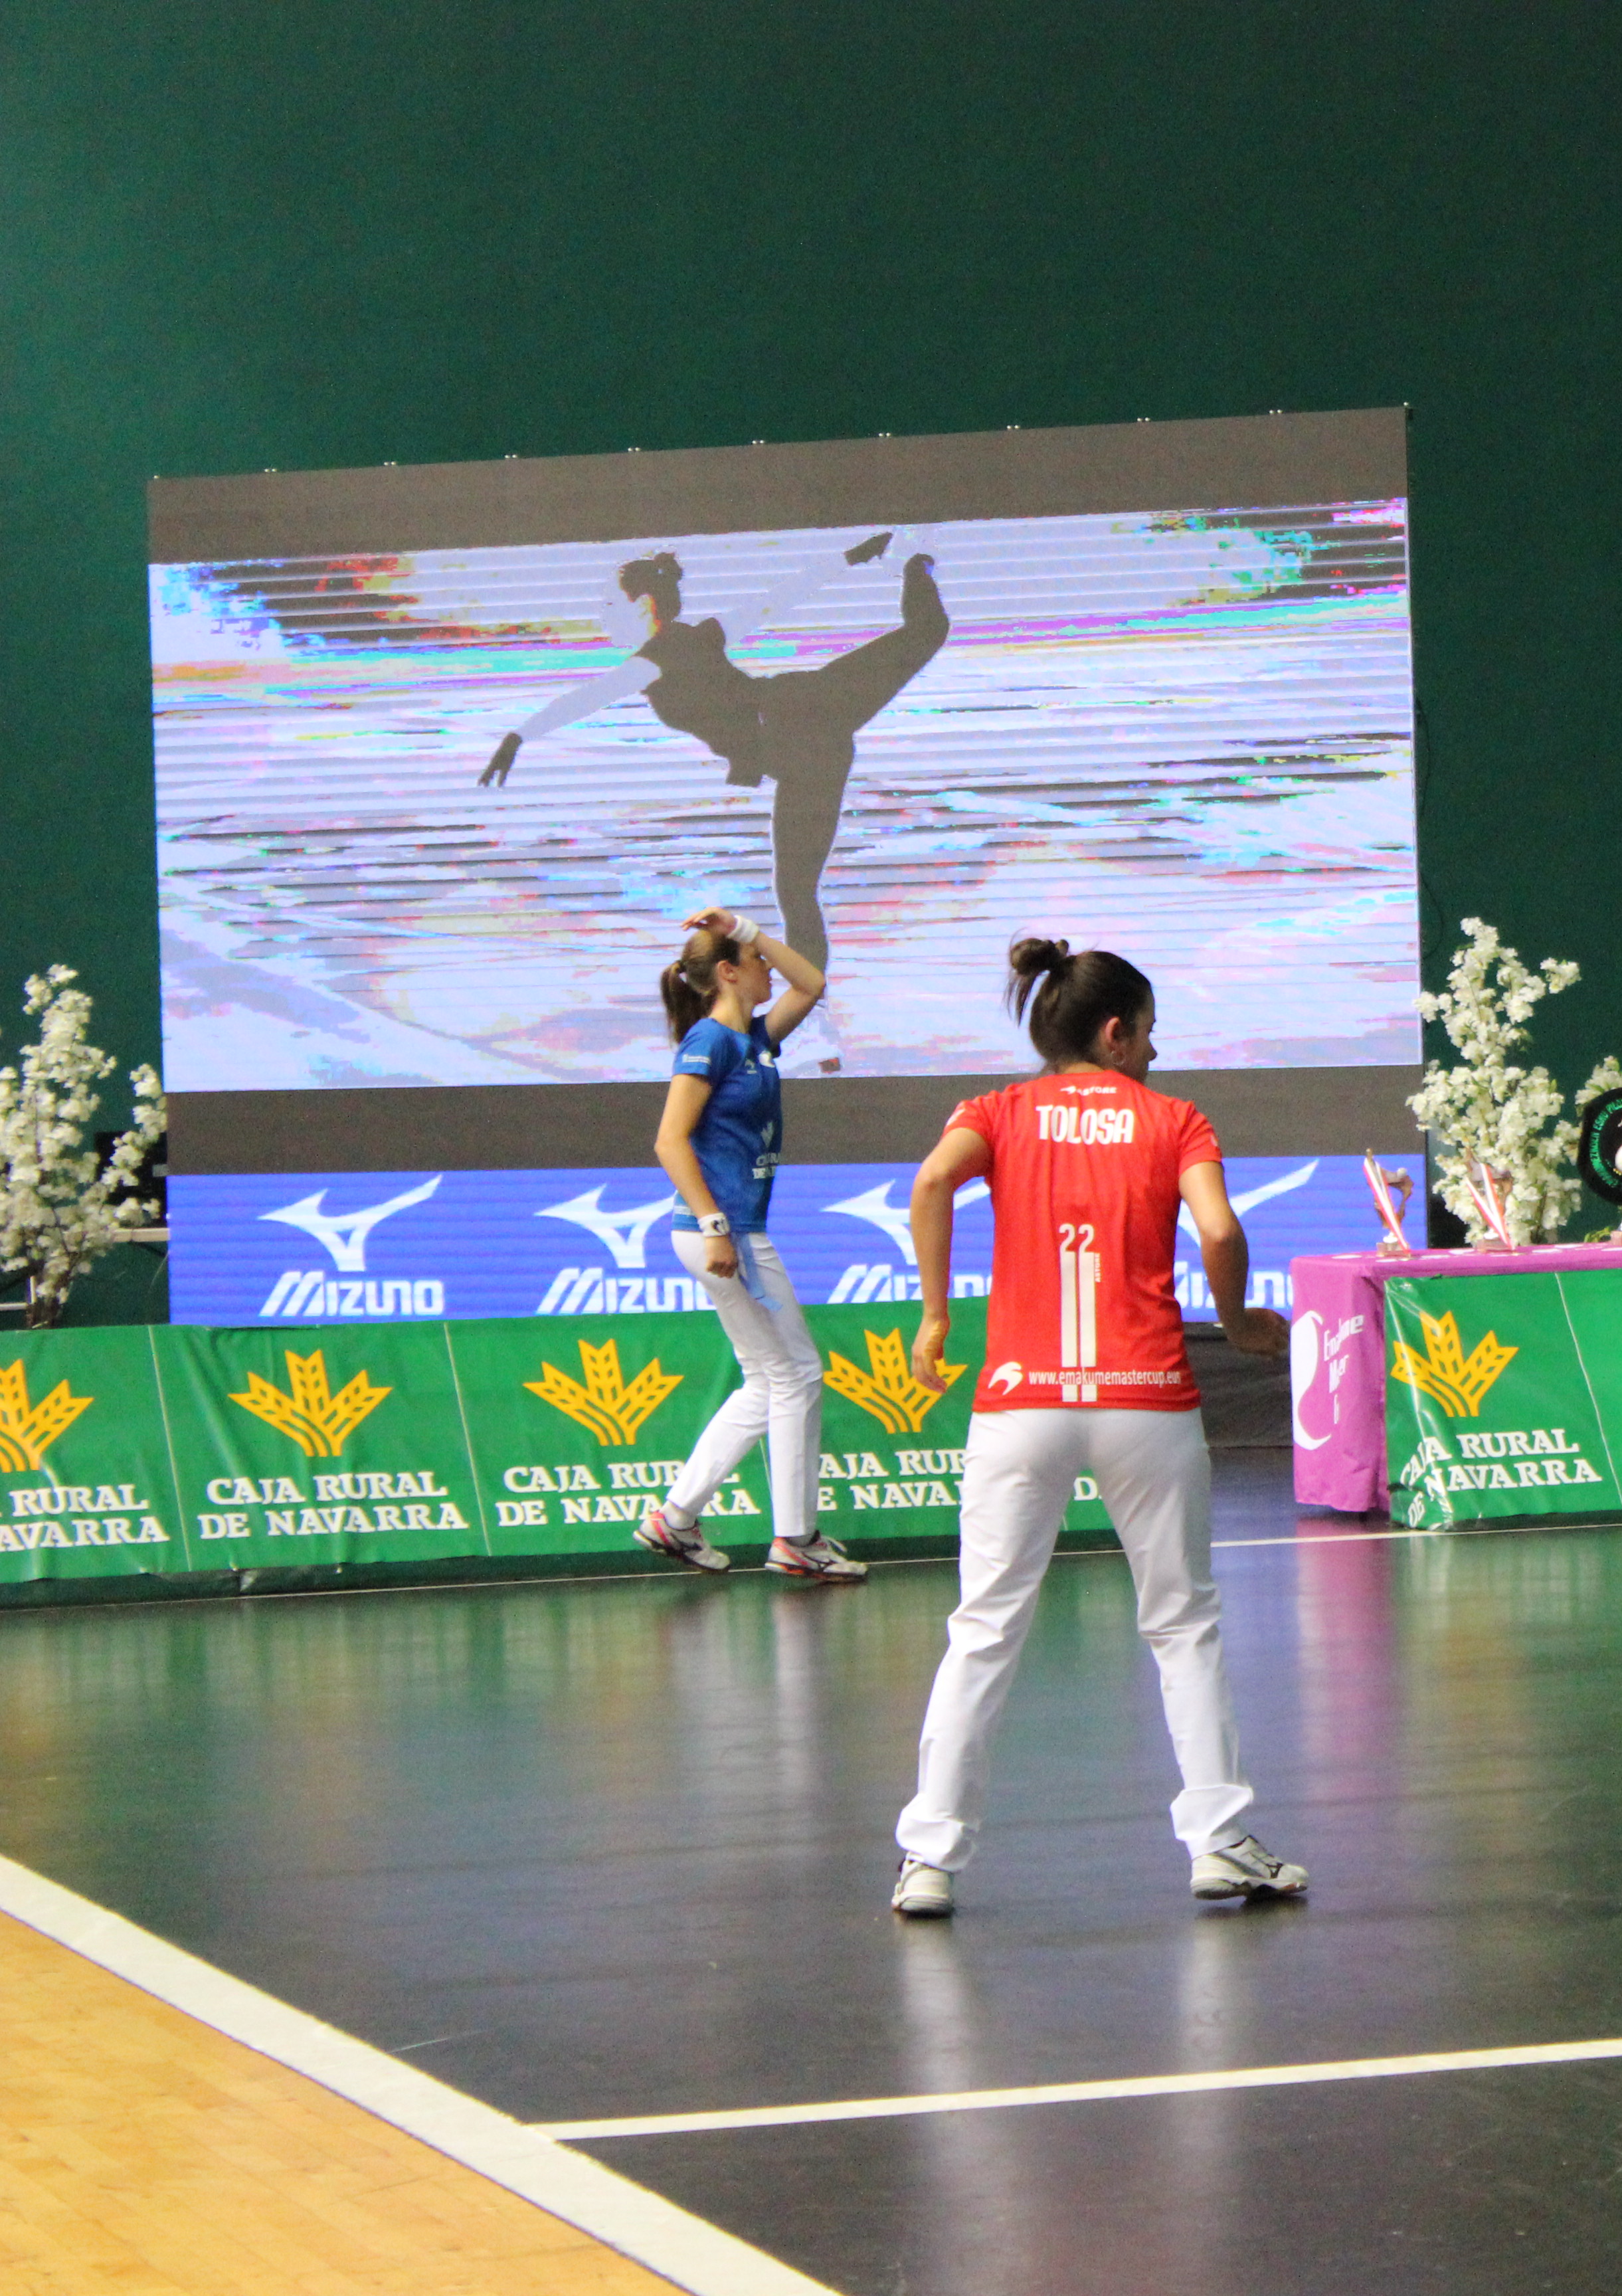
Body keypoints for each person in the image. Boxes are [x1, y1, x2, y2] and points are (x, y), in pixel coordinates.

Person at [887, 939, 1303, 1917]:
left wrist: (937, 1315)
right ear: (1116, 1033)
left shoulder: (995, 1111)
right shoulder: (1174, 1119)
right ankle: (1219, 1840)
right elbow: (1220, 1231)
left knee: (984, 1629)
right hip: (1145, 1401)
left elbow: (929, 1185)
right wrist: (1239, 1322)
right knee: (1182, 1624)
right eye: (1149, 1032)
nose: (1156, 1051)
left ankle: (932, 1861)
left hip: (1021, 1403)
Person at [481, 530, 948, 983]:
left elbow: (589, 696)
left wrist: (519, 735)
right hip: (808, 751)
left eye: (609, 605)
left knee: (926, 632)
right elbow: (774, 600)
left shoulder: (656, 660)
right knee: (796, 892)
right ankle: (812, 1000)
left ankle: (915, 560)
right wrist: (849, 557)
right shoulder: (694, 641)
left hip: (807, 713)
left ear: (644, 606)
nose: (601, 617)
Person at [633, 907, 871, 1584]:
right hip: (723, 1233)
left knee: (770, 1380)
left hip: (728, 1232)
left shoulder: (756, 1039)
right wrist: (714, 1227)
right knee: (797, 1374)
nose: (770, 967)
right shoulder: (708, 1043)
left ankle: (674, 1519)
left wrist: (746, 927)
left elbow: (812, 982)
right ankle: (796, 1537)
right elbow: (669, 1140)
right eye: (756, 960)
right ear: (730, 974)